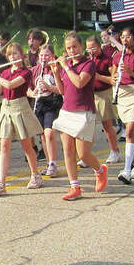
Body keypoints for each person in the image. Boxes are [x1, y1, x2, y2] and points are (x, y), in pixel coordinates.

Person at [49, 32, 109, 200]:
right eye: (68, 48)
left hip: (84, 111)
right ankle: (74, 186)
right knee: (68, 150)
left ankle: (100, 170)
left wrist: (66, 67)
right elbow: (62, 91)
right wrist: (56, 72)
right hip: (67, 110)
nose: (71, 50)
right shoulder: (66, 66)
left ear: (81, 47)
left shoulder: (88, 64)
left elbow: (80, 83)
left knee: (83, 154)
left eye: (74, 47)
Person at [0, 42, 43, 195]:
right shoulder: (4, 73)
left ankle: (35, 175)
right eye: (10, 54)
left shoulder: (25, 72)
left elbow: (10, 85)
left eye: (15, 54)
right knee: (4, 146)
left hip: (20, 107)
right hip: (6, 108)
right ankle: (1, 183)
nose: (13, 57)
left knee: (26, 146)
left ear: (22, 56)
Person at [111, 28, 134, 184]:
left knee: (129, 130)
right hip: (122, 93)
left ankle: (127, 170)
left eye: (128, 37)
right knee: (131, 132)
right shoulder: (118, 56)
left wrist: (131, 73)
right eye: (123, 37)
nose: (125, 40)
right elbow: (113, 76)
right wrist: (114, 77)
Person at [85, 37, 122, 166]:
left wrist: (98, 76)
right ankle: (86, 155)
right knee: (88, 127)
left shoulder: (107, 59)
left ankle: (114, 151)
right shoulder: (87, 60)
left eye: (93, 47)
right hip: (90, 95)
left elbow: (113, 80)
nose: (91, 50)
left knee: (107, 125)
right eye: (88, 48)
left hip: (103, 94)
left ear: (99, 46)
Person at [30, 44, 63, 178]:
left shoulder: (56, 69)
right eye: (42, 55)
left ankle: (53, 163)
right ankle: (49, 163)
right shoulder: (34, 70)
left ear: (53, 56)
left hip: (52, 103)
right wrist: (34, 93)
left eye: (47, 55)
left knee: (49, 133)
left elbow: (61, 90)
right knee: (43, 135)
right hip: (39, 104)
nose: (44, 58)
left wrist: (49, 87)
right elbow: (28, 89)